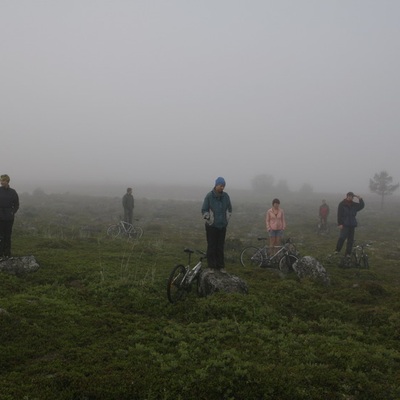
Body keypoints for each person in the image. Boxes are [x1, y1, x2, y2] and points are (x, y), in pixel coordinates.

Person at [201, 177, 232, 270]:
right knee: (211, 246)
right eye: (221, 185)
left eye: (223, 186)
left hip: (222, 226)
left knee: (220, 246)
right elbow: (204, 209)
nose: (222, 187)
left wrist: (226, 220)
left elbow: (229, 209)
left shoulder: (226, 196)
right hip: (212, 226)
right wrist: (209, 219)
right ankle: (211, 266)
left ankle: (220, 266)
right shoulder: (209, 196)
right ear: (216, 185)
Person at [335, 192, 365, 257]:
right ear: (347, 196)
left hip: (352, 225)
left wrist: (360, 198)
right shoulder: (342, 204)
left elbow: (362, 205)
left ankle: (348, 253)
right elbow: (339, 214)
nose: (350, 197)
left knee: (350, 240)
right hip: (344, 224)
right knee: (342, 238)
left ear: (353, 197)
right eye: (349, 196)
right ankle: (337, 250)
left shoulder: (354, 205)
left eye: (352, 196)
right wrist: (340, 224)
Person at [0, 174, 19, 258]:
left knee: (8, 235)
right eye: (1, 180)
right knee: (1, 236)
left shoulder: (13, 192)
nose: (1, 182)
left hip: (9, 217)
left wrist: (12, 212)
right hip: (0, 216)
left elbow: (16, 204)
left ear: (7, 181)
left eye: (3, 180)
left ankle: (7, 253)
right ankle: (0, 254)